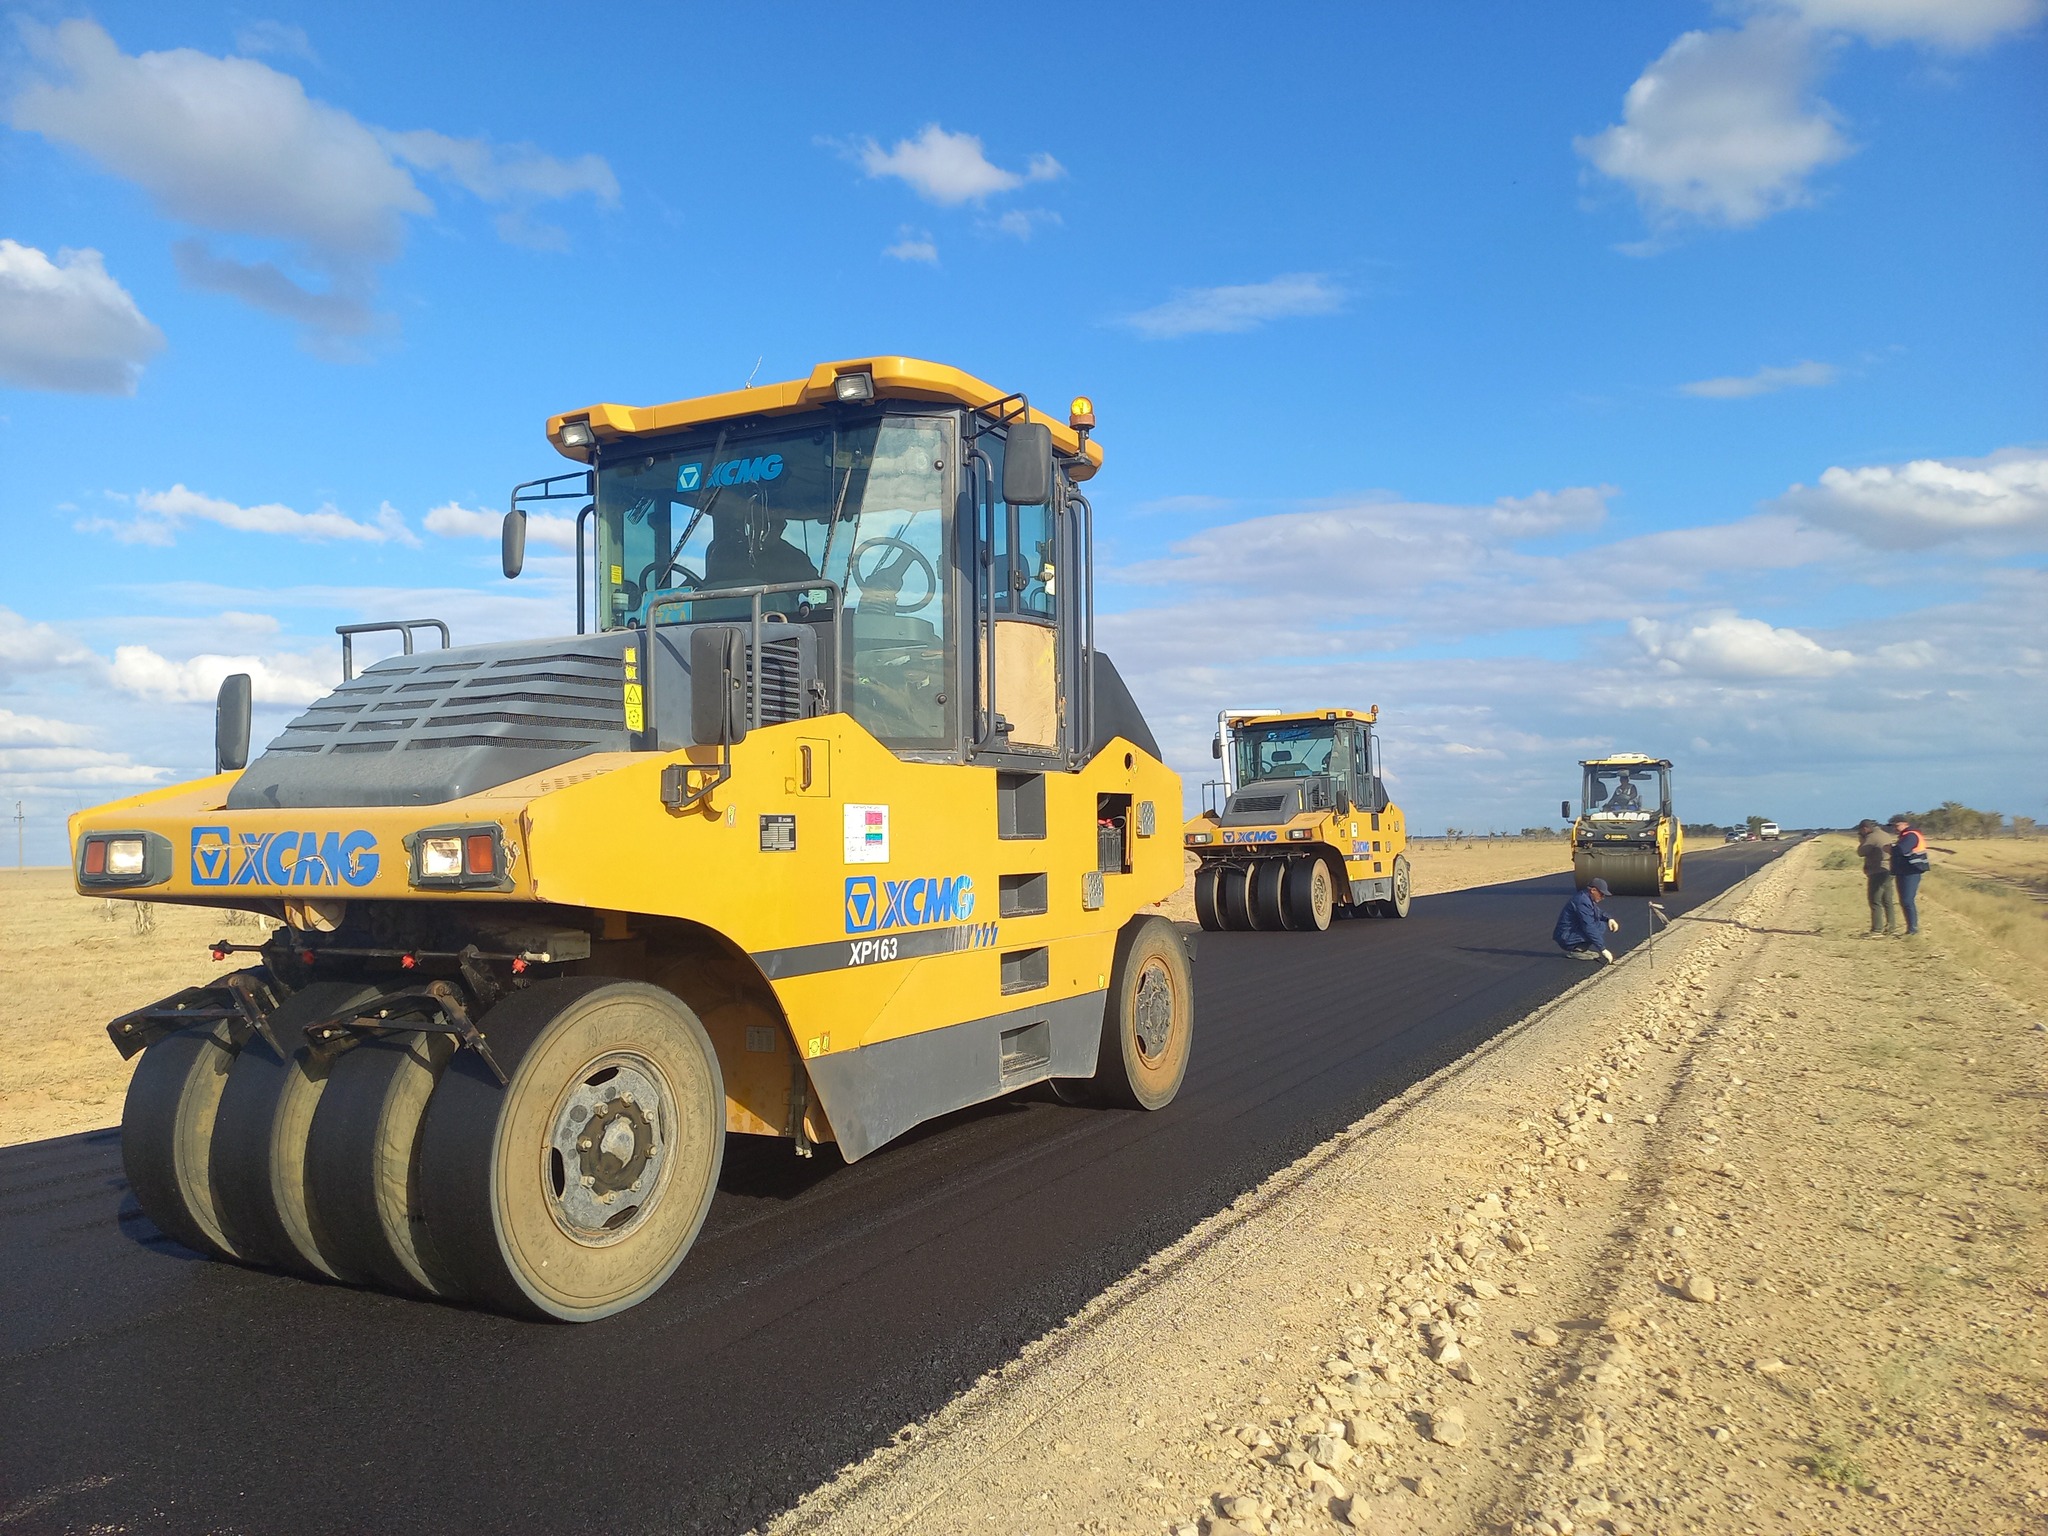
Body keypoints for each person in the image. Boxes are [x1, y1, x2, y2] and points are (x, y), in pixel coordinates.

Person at [1887, 814, 1951, 937]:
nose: (1894, 828)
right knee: (1905, 900)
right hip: (1905, 871)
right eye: (1893, 826)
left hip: (1911, 871)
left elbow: (1901, 850)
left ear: (1905, 824)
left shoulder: (1911, 835)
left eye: (1896, 825)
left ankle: (1913, 930)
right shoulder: (1907, 835)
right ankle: (1911, 929)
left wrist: (1890, 849)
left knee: (1907, 900)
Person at [1554, 876, 1619, 962]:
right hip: (1566, 936)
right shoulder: (1582, 901)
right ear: (1593, 890)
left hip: (1571, 932)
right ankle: (1575, 950)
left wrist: (1609, 918)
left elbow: (1597, 912)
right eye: (1601, 894)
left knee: (1601, 924)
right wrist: (1603, 949)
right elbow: (1589, 926)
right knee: (1596, 927)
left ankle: (1581, 949)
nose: (1603, 897)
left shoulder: (1586, 897)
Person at [1856, 818, 1897, 937]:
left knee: (1875, 900)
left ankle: (1877, 929)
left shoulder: (1872, 837)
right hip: (1889, 869)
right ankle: (1891, 927)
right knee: (1887, 900)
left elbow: (1861, 852)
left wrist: (1861, 840)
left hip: (1877, 871)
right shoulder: (1885, 834)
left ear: (1865, 829)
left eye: (1861, 831)